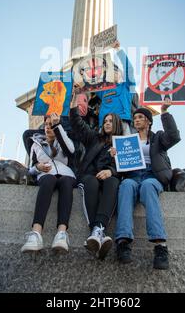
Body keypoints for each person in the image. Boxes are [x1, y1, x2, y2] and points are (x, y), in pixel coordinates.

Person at [110, 99, 181, 269]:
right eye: (135, 118)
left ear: (149, 121)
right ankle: (123, 242)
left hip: (152, 175)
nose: (137, 120)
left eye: (141, 117)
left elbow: (174, 136)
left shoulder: (158, 138)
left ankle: (160, 246)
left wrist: (164, 112)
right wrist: (116, 155)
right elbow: (122, 165)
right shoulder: (128, 140)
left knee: (148, 186)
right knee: (126, 186)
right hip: (133, 175)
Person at [70, 85, 123, 260]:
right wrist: (75, 99)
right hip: (89, 176)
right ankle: (98, 231)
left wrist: (111, 170)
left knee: (113, 182)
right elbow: (78, 124)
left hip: (109, 179)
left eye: (110, 121)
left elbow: (128, 170)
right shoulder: (94, 137)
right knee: (91, 182)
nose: (107, 123)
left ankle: (96, 232)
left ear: (116, 124)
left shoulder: (123, 144)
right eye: (105, 121)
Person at [21, 113, 77, 254]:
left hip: (66, 174)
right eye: (46, 125)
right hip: (46, 174)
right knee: (48, 180)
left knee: (66, 182)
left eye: (51, 125)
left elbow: (71, 151)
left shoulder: (64, 140)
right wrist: (37, 168)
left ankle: (61, 234)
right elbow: (31, 169)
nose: (48, 128)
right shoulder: (35, 144)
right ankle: (36, 233)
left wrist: (58, 126)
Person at [96, 40, 136, 135]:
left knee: (123, 149)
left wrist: (118, 50)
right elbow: (89, 79)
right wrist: (95, 56)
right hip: (104, 126)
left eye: (115, 71)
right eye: (109, 71)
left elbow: (129, 69)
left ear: (122, 75)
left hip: (121, 123)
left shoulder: (127, 87)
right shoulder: (103, 90)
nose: (112, 72)